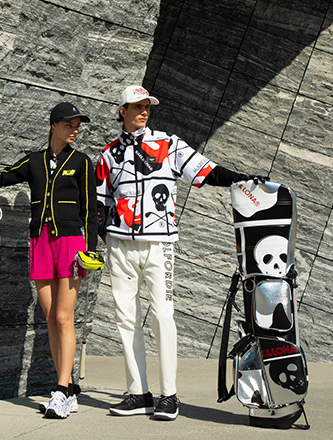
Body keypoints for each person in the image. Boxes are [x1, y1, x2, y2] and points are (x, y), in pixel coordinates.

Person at [96, 85, 261, 421]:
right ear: (122, 111)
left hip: (159, 244)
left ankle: (168, 395)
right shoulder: (108, 154)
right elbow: (100, 203)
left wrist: (241, 180)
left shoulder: (168, 144)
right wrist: (106, 236)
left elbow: (206, 170)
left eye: (147, 106)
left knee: (162, 316)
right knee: (126, 320)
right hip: (120, 245)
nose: (144, 111)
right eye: (137, 106)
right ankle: (138, 393)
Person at [0, 102, 98, 419]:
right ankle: (69, 390)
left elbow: (90, 211)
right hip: (40, 242)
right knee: (50, 319)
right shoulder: (34, 161)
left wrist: (91, 251)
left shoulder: (82, 163)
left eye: (77, 125)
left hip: (71, 245)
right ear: (54, 125)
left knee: (63, 317)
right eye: (69, 124)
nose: (75, 130)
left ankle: (60, 391)